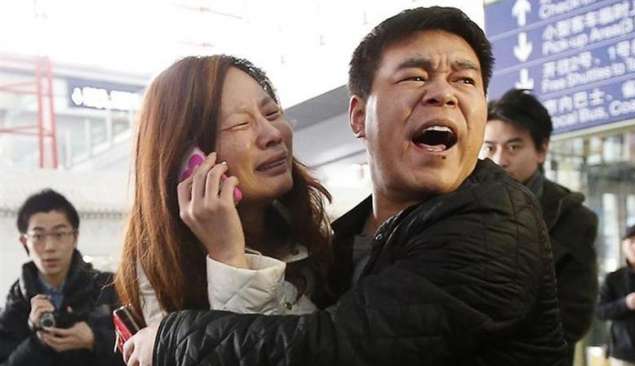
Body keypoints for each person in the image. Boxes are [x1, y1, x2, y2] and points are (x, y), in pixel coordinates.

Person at [125, 6, 567, 365]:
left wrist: (175, 337)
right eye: (415, 77)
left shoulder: (493, 225)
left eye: (464, 80)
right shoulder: (345, 240)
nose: (272, 134)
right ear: (358, 116)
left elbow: (333, 347)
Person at [114, 54, 333, 336]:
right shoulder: (160, 279)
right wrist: (228, 257)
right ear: (189, 162)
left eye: (272, 113)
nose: (272, 134)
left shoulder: (314, 236)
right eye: (240, 124)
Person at [480, 88, 599, 364]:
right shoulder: (462, 208)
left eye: (514, 146)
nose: (500, 160)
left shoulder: (574, 220)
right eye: (490, 147)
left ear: (542, 149)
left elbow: (573, 318)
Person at [0, 189, 121, 366]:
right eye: (38, 236)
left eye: (59, 234)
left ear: (75, 237)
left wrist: (94, 340)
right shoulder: (16, 304)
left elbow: (142, 355)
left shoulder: (108, 288)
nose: (50, 246)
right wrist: (38, 341)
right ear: (25, 242)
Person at [597, 223, 635, 366]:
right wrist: (625, 304)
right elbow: (600, 312)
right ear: (623, 245)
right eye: (631, 241)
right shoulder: (613, 278)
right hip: (625, 354)